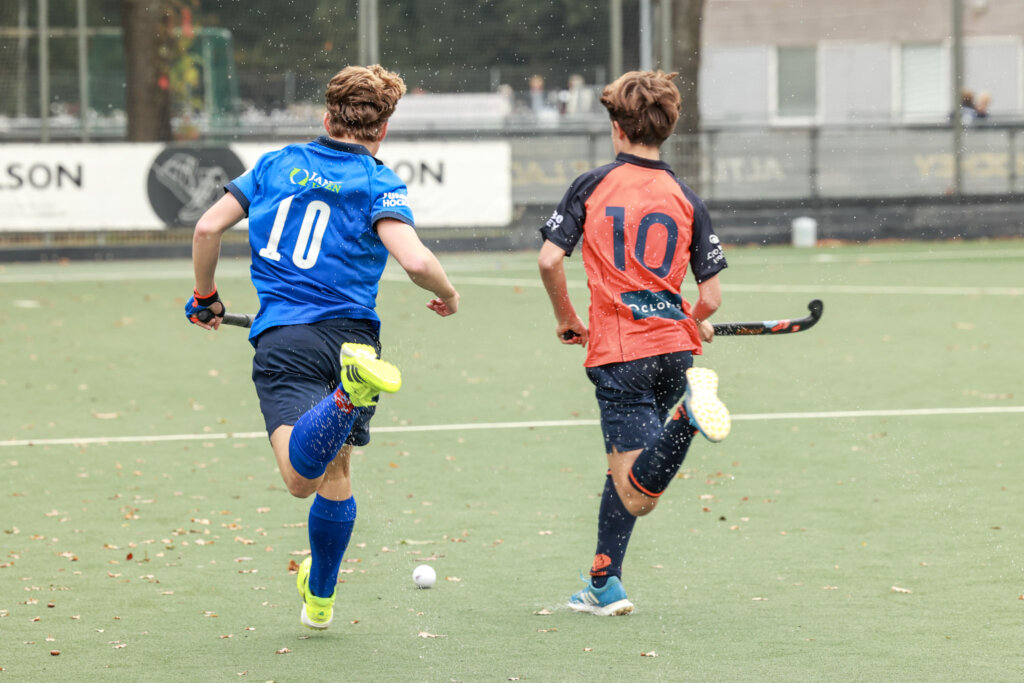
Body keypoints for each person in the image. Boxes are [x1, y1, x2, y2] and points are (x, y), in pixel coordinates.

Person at [185, 64, 460, 630]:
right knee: (335, 469)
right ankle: (320, 597)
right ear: (383, 129)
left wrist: (205, 296)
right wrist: (447, 293)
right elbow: (414, 261)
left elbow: (208, 228)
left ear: (327, 117)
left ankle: (345, 397)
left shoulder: (275, 164)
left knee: (298, 478)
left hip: (286, 338)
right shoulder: (377, 181)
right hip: (352, 339)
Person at [537, 70, 730, 616]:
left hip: (622, 355)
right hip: (674, 353)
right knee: (622, 466)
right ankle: (604, 581)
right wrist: (691, 321)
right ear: (666, 128)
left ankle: (687, 418)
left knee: (637, 495)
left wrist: (567, 317)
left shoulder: (593, 185)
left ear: (617, 128)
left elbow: (550, 259)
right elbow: (711, 298)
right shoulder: (687, 198)